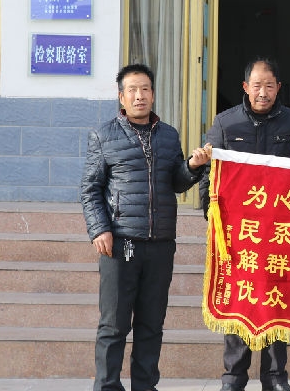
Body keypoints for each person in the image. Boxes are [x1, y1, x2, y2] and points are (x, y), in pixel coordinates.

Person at [81, 63, 212, 391]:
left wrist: (192, 166)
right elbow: (90, 189)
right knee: (114, 325)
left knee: (151, 325)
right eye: (132, 90)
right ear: (121, 97)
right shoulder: (103, 135)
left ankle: (145, 386)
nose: (139, 96)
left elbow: (176, 182)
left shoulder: (168, 135)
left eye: (145, 89)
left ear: (153, 94)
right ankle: (107, 386)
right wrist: (99, 229)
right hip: (120, 243)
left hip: (160, 244)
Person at [199, 58, 290, 391]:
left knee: (275, 301)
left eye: (269, 86)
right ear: (245, 87)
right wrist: (211, 215)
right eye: (256, 86)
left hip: (279, 232)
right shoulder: (225, 123)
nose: (263, 92)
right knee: (238, 301)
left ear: (278, 88)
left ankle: (275, 377)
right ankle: (233, 378)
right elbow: (210, 174)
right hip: (238, 234)